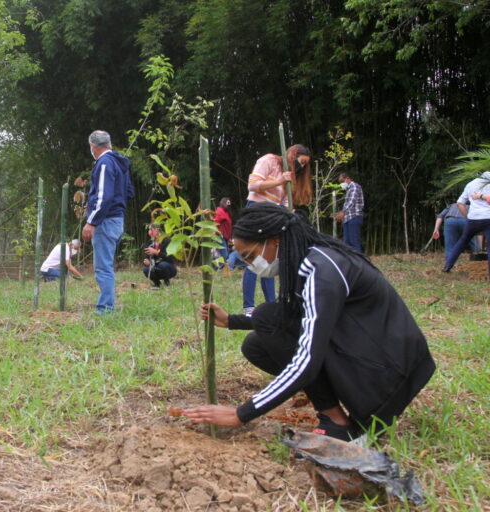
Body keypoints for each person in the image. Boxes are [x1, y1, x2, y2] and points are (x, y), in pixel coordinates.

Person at [183, 202, 435, 442]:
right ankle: (335, 409)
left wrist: (241, 413)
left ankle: (337, 423)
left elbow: (307, 360)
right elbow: (295, 312)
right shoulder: (309, 260)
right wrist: (232, 321)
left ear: (274, 239)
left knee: (269, 321)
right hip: (376, 361)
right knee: (256, 343)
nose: (251, 265)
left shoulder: (322, 269)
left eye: (250, 256)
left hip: (389, 375)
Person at [240, 144, 312, 315]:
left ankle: (271, 305)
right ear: (293, 155)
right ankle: (249, 307)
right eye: (300, 162)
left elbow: (283, 200)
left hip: (273, 215)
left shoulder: (290, 176)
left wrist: (288, 211)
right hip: (256, 210)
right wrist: (279, 180)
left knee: (269, 262)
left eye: (304, 165)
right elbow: (252, 185)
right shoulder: (269, 160)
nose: (301, 167)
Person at [81, 130, 134, 314]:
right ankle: (107, 305)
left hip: (105, 221)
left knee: (103, 267)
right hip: (118, 220)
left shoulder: (104, 163)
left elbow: (104, 196)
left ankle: (105, 309)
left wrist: (91, 222)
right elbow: (128, 192)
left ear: (92, 146)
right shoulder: (120, 163)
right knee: (106, 265)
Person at [443, 171, 490, 276]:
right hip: (488, 218)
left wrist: (467, 217)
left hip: (473, 218)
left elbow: (459, 203)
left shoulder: (471, 184)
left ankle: (447, 266)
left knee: (462, 241)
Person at [431, 202, 479, 267]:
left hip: (450, 221)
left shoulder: (451, 205)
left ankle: (448, 266)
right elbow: (478, 229)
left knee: (449, 246)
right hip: (466, 221)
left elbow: (440, 216)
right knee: (475, 245)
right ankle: (480, 263)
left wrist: (436, 229)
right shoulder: (473, 207)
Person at [334, 172, 364, 252]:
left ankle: (359, 261)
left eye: (342, 181)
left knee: (353, 241)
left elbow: (351, 201)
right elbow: (346, 204)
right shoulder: (348, 189)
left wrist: (342, 212)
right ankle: (351, 261)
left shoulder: (354, 187)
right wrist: (339, 214)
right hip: (347, 218)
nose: (341, 184)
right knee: (346, 242)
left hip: (354, 217)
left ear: (347, 179)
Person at [141, 225, 177, 289]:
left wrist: (156, 252)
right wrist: (147, 261)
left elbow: (169, 257)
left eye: (151, 230)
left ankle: (166, 282)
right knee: (145, 269)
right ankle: (157, 284)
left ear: (157, 230)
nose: (149, 232)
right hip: (156, 267)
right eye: (148, 230)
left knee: (162, 265)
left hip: (169, 267)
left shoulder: (166, 241)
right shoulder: (150, 243)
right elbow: (147, 256)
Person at [214, 197, 234, 270]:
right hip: (219, 236)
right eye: (227, 203)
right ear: (223, 202)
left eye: (230, 203)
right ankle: (216, 270)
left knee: (224, 256)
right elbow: (215, 222)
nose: (229, 204)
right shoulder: (220, 211)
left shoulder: (226, 212)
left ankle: (215, 270)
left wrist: (228, 239)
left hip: (225, 237)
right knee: (225, 256)